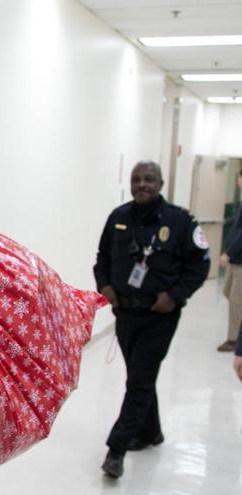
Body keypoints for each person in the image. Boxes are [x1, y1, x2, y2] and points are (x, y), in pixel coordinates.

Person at [93, 160, 210, 478]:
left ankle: (116, 450)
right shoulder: (118, 218)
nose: (141, 184)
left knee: (139, 380)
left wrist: (174, 295)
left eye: (148, 179)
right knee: (139, 376)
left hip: (160, 317)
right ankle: (151, 432)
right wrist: (105, 287)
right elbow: (102, 257)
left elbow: (200, 265)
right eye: (136, 179)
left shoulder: (180, 221)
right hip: (125, 312)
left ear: (160, 183)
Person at [218, 169, 242, 352]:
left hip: (240, 261)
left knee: (236, 300)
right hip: (235, 259)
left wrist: (228, 253)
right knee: (228, 293)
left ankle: (234, 339)